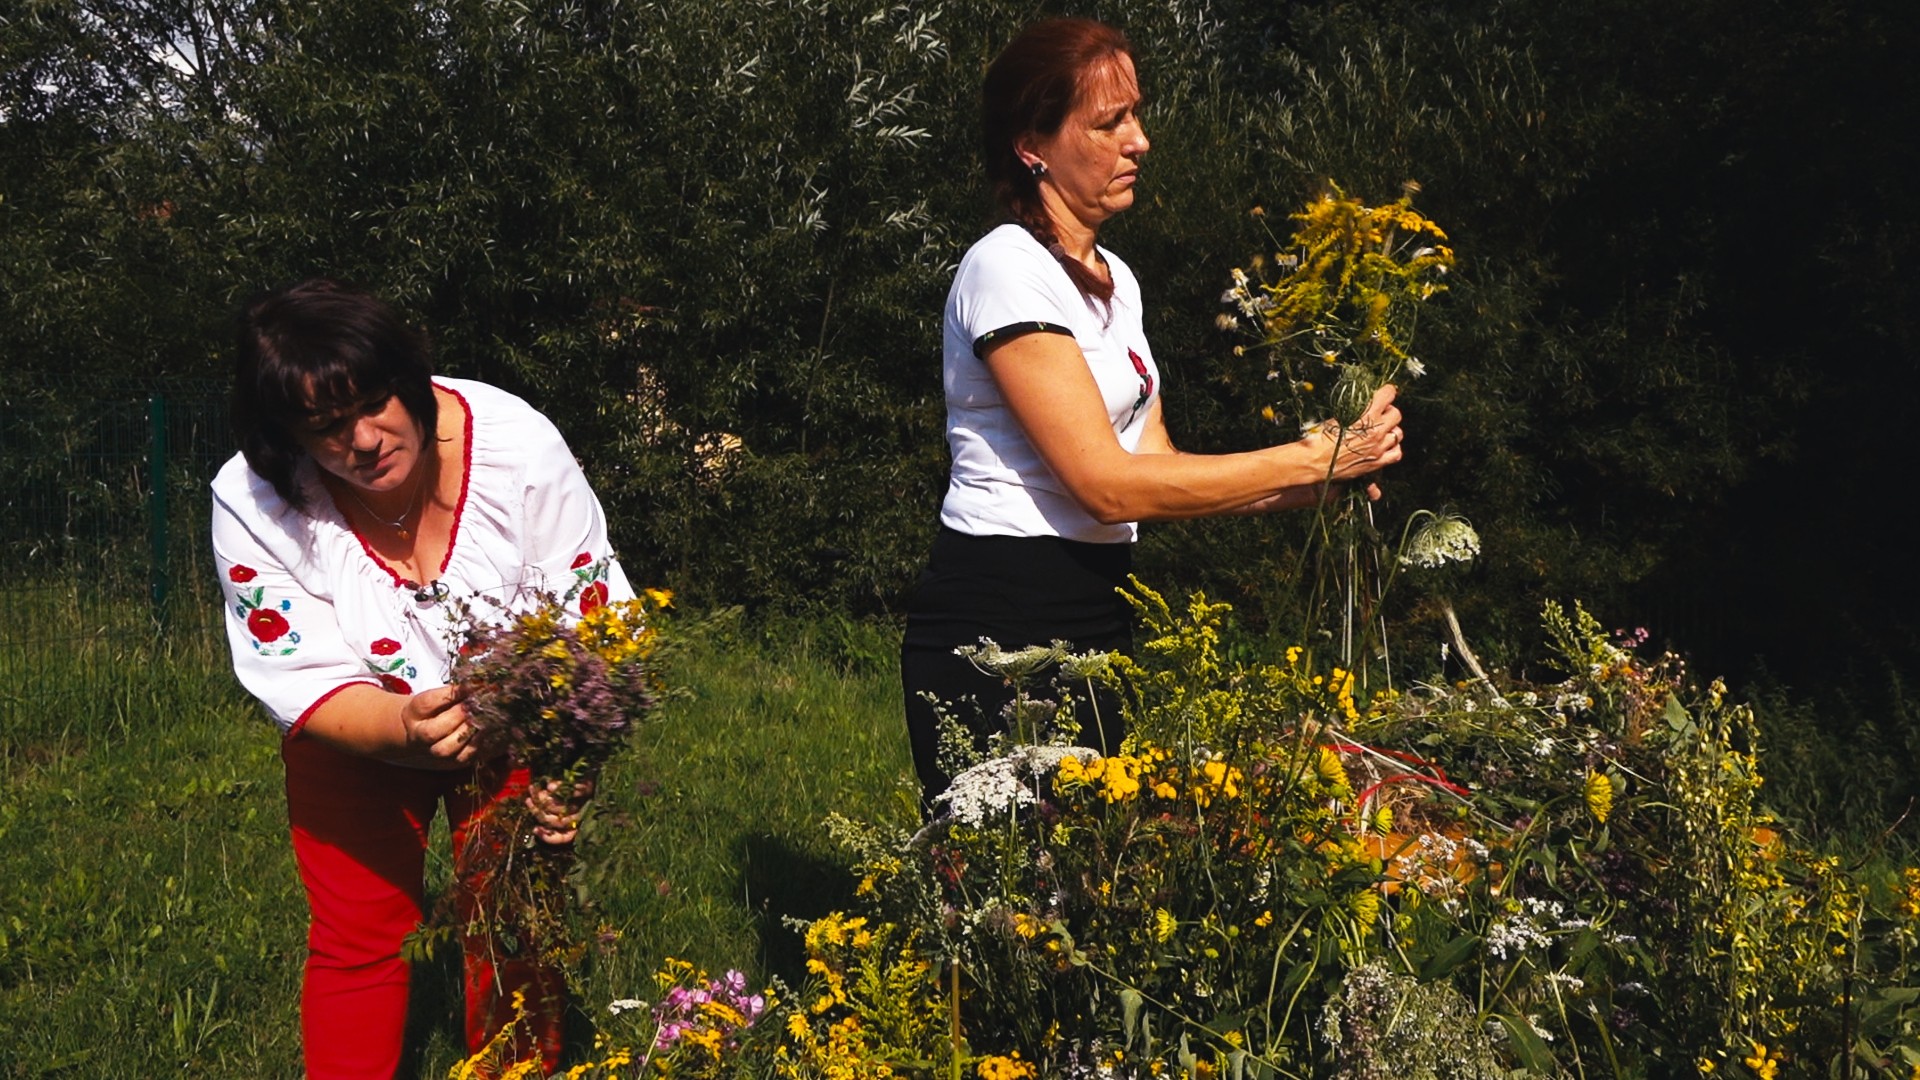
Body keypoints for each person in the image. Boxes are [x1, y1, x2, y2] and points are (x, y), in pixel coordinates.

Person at [901, 18, 1407, 803]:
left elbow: (1155, 467)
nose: (1139, 140)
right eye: (1109, 122)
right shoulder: (1004, 267)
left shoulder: (1116, 281)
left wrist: (1325, 475)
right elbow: (1104, 486)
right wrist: (1314, 459)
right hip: (999, 618)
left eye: (1136, 114)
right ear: (1032, 142)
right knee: (1010, 901)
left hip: (1094, 610)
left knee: (1094, 896)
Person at [210, 278, 631, 1078]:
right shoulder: (253, 500)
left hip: (523, 721)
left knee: (514, 929)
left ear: (408, 381)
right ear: (286, 434)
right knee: (355, 945)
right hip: (357, 739)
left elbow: (592, 625)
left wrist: (569, 769)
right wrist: (404, 726)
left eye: (374, 404)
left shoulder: (517, 445)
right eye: (325, 428)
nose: (362, 440)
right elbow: (298, 672)